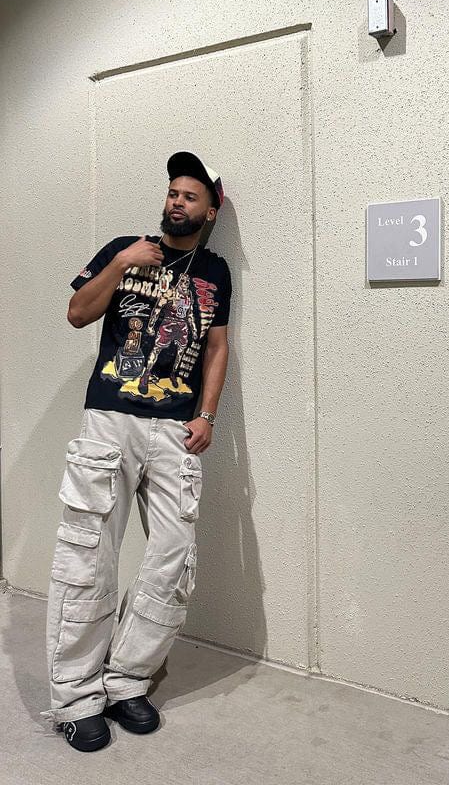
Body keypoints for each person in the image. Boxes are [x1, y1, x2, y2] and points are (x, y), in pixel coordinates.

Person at [40, 151, 232, 751]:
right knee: (89, 552)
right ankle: (76, 697)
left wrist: (207, 414)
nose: (177, 202)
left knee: (173, 556)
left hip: (175, 429)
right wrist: (123, 262)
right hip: (111, 420)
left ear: (210, 211)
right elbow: (78, 314)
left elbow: (217, 346)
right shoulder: (125, 249)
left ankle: (126, 678)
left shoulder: (216, 272)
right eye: (173, 192)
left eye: (190, 196)